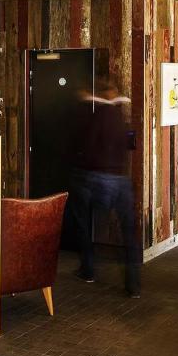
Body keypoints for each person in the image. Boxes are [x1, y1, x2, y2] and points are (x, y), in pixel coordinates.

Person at [72, 78, 141, 298]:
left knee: (83, 223)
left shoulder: (96, 116)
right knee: (129, 233)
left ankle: (88, 270)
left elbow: (87, 146)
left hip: (94, 178)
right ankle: (133, 285)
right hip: (120, 180)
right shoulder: (120, 118)